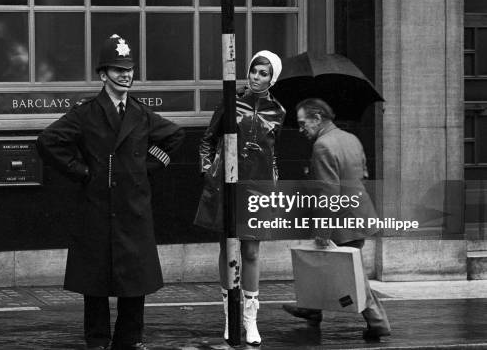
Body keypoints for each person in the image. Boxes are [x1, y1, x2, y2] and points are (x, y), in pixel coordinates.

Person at [37, 34, 185, 350]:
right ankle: (97, 340)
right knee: (95, 281)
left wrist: (145, 168)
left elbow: (174, 136)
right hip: (97, 207)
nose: (126, 75)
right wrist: (82, 171)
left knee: (136, 281)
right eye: (118, 70)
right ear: (103, 74)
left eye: (129, 69)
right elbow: (48, 141)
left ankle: (130, 340)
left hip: (133, 208)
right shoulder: (86, 112)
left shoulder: (141, 113)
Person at [194, 51, 286, 346]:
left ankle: (251, 320)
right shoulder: (230, 102)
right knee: (228, 249)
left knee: (251, 253)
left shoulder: (278, 112)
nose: (257, 77)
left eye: (264, 73)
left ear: (273, 78)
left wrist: (273, 184)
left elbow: (273, 153)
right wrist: (208, 171)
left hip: (257, 189)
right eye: (254, 71)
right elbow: (208, 139)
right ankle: (229, 316)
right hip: (226, 185)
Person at [282, 98, 391, 341]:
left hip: (340, 220)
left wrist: (323, 229)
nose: (301, 129)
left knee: (352, 275)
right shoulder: (350, 138)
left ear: (317, 118)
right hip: (359, 213)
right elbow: (363, 173)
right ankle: (311, 309)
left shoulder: (322, 145)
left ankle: (378, 321)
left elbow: (329, 193)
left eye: (303, 123)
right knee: (325, 265)